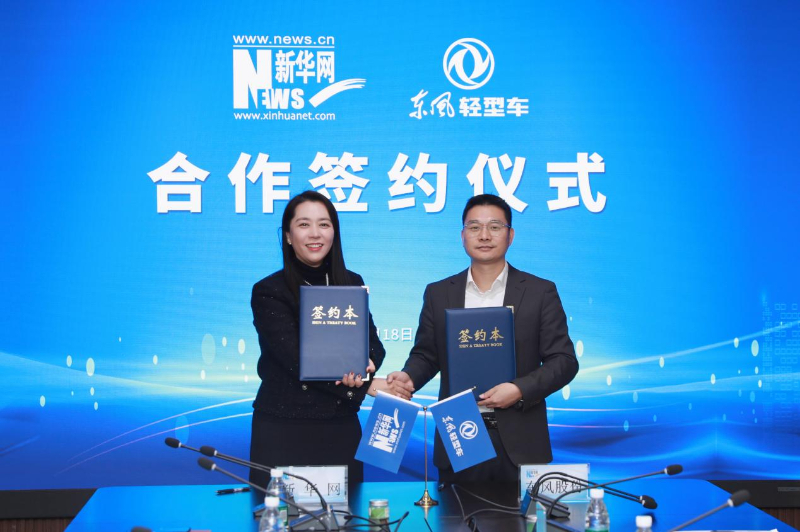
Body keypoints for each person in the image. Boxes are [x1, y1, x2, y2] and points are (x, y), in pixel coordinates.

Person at [383, 194, 578, 483]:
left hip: (521, 440)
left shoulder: (540, 292)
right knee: (455, 513)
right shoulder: (439, 293)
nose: (484, 235)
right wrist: (409, 377)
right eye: (474, 227)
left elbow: (563, 361)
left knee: (522, 515)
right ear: (462, 236)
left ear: (510, 235)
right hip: (458, 434)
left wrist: (519, 389)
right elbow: (427, 354)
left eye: (495, 227)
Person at [250, 190, 385, 488]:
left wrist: (366, 364)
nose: (315, 233)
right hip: (284, 429)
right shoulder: (269, 290)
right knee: (280, 513)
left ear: (334, 232)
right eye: (304, 224)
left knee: (347, 511)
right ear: (288, 236)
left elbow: (374, 344)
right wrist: (364, 384)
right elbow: (295, 359)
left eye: (324, 224)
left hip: (340, 428)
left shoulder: (352, 282)